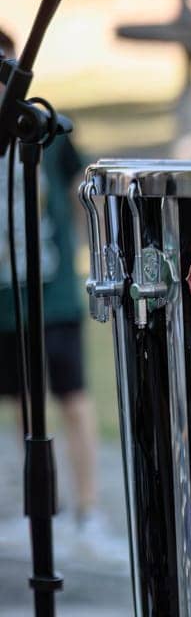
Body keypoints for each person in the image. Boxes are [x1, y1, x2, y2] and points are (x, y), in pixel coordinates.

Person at [0, 27, 119, 562]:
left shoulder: (38, 125)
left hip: (54, 292)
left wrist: (91, 250)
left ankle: (89, 512)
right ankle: (39, 514)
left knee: (72, 397)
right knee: (27, 403)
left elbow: (79, 183)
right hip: (5, 296)